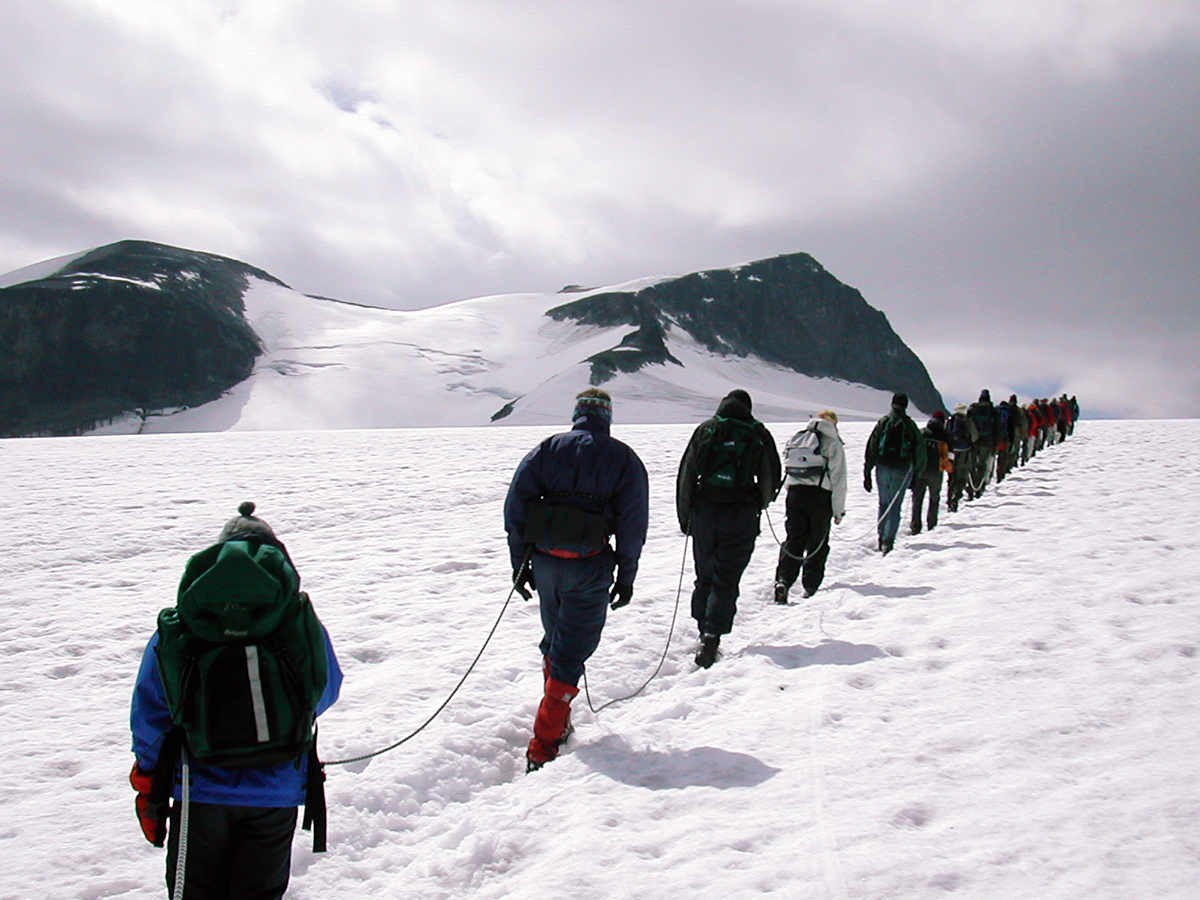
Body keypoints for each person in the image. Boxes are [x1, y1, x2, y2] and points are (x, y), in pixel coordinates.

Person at [130, 504, 343, 900]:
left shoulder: (182, 626)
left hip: (200, 790)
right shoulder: (297, 621)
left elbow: (152, 710)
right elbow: (325, 689)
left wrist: (149, 773)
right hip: (276, 790)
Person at [504, 388, 649, 771]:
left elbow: (516, 508)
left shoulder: (547, 449)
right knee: (570, 654)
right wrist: (627, 575)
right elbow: (633, 524)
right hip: (590, 566)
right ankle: (544, 744)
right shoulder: (624, 458)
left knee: (556, 644)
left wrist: (520, 564)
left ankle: (559, 723)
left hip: (547, 564)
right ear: (607, 416)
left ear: (577, 414)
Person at [677, 389, 781, 668]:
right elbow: (772, 475)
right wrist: (758, 503)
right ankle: (712, 636)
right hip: (741, 514)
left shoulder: (707, 429)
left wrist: (685, 517)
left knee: (705, 575)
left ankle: (703, 629)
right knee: (726, 578)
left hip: (705, 512)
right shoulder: (758, 432)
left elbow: (687, 473)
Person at [773, 410, 847, 603]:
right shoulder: (832, 443)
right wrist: (838, 511)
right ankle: (810, 586)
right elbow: (839, 479)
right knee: (817, 542)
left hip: (795, 494)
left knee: (794, 539)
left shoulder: (798, 438)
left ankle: (783, 580)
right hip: (819, 497)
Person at [863, 392, 926, 554]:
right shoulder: (909, 424)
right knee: (895, 506)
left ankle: (881, 537)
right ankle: (888, 542)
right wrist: (917, 474)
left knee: (883, 503)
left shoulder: (884, 422)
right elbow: (919, 450)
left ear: (892, 404)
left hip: (882, 466)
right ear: (906, 406)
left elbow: (872, 445)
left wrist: (867, 471)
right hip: (902, 468)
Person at [910, 410, 950, 533]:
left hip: (921, 469)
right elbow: (949, 454)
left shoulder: (922, 432)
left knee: (917, 498)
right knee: (934, 498)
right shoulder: (945, 435)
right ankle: (932, 525)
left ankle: (915, 525)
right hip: (936, 471)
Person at [944, 404, 978, 513]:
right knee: (961, 474)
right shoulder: (967, 421)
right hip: (964, 451)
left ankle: (949, 498)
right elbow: (974, 436)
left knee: (951, 475)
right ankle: (956, 497)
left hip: (951, 451)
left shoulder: (950, 421)